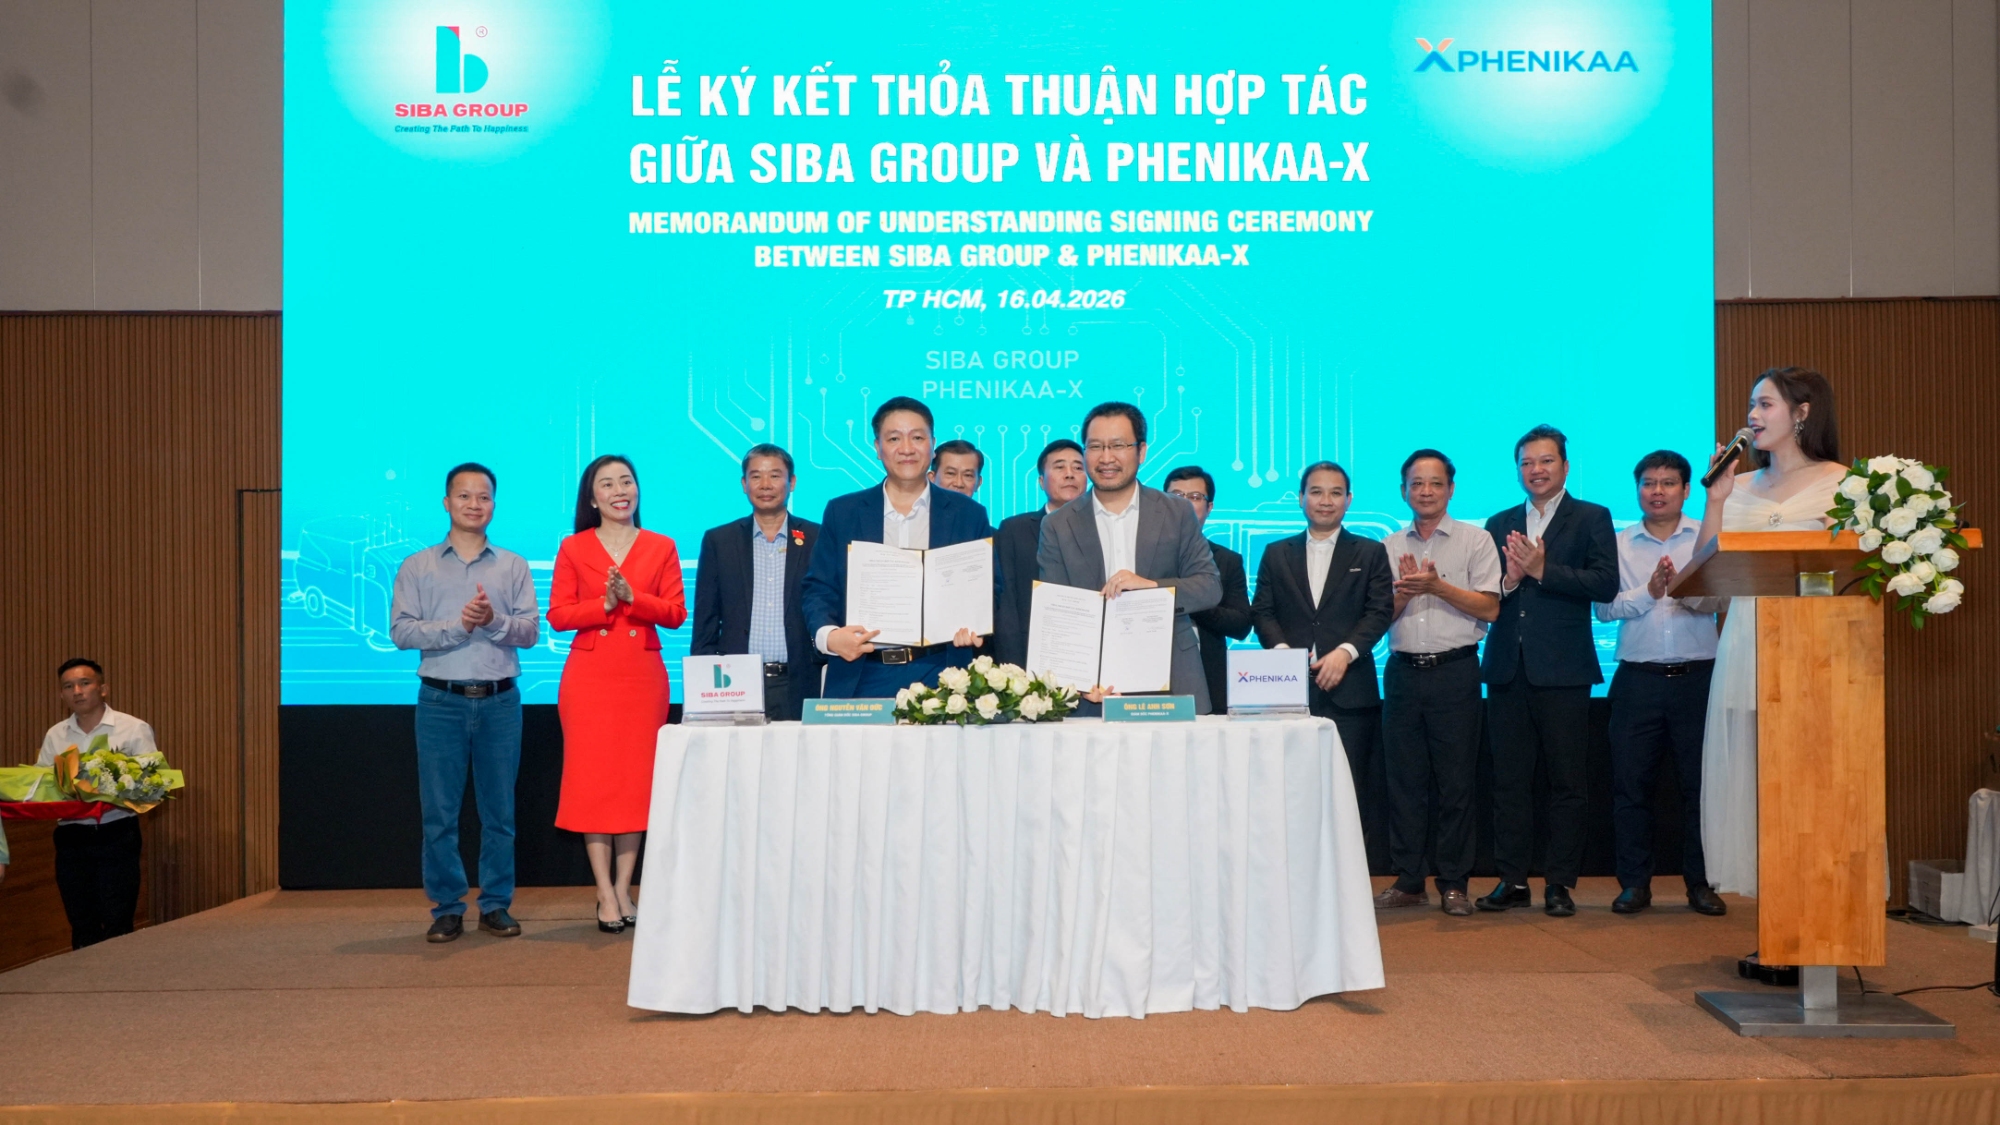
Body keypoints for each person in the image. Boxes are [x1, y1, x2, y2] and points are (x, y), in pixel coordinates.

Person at [1699, 367, 1847, 898]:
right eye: (1751, 405)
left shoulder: (1844, 483)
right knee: (1758, 774)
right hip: (1747, 641)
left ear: (1802, 412)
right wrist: (1716, 499)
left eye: (1765, 405)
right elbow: (1704, 583)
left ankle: (1818, 898)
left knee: (1814, 776)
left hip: (1817, 648)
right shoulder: (1736, 487)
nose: (1752, 416)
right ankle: (1776, 899)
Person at [389, 463, 541, 943]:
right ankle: (448, 907)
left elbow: (530, 632)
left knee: (500, 814)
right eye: (464, 496)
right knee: (439, 814)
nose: (475, 504)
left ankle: (496, 904)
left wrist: (493, 620)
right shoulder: (418, 566)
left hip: (500, 703)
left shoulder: (513, 565)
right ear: (446, 503)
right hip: (441, 701)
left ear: (494, 504)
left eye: (484, 497)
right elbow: (401, 632)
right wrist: (460, 626)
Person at [1477, 425, 1618, 918]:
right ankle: (1512, 879)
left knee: (1567, 782)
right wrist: (1510, 580)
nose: (1536, 470)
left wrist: (1542, 570)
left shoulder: (1592, 517)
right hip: (1506, 668)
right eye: (1527, 462)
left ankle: (1560, 883)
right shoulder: (1498, 522)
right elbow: (1488, 592)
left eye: (1546, 461)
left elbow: (1605, 584)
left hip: (1564, 669)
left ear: (1566, 466)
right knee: (1509, 782)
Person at [547, 455, 687, 934]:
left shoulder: (661, 546)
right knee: (594, 781)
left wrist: (633, 598)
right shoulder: (573, 547)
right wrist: (603, 605)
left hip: (641, 678)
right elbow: (558, 616)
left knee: (635, 782)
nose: (619, 491)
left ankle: (626, 886)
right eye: (607, 484)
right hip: (590, 678)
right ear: (592, 498)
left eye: (626, 481)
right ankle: (604, 891)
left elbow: (675, 613)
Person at [1595, 451, 1728, 916]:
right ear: (1637, 490)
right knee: (1631, 787)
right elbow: (1604, 609)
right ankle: (1634, 884)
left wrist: (1690, 593)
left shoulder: (1708, 536)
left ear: (1687, 490)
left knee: (1701, 788)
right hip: (1638, 680)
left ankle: (1702, 883)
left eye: (1668, 483)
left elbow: (1722, 599)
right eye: (1648, 483)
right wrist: (1649, 592)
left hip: (1699, 679)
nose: (1657, 491)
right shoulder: (1618, 543)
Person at [1373, 451, 1501, 917]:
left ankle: (1453, 883)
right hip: (1403, 673)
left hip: (1456, 672)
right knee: (1405, 782)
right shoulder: (1386, 547)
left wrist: (1436, 586)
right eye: (1416, 483)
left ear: (1451, 489)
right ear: (1403, 490)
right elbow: (1377, 618)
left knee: (1456, 782)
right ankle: (1409, 880)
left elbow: (1490, 608)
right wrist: (1405, 593)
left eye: (1435, 483)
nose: (1425, 491)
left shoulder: (1476, 540)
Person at [1250, 461, 1395, 864]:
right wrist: (1284, 656)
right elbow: (1262, 611)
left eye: (1335, 492)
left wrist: (1345, 653)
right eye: (1316, 492)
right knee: (1290, 791)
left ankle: (1347, 880)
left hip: (1351, 693)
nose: (1325, 500)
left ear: (1349, 500)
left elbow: (1379, 612)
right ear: (1301, 498)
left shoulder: (1369, 551)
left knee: (1349, 792)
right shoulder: (1277, 553)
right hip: (1287, 693)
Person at [1036, 402, 1222, 710]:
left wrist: (1152, 587)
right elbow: (1059, 612)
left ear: (1141, 451)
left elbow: (1209, 587)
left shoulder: (1176, 512)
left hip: (1172, 678)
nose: (1106, 457)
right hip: (1094, 690)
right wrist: (1081, 678)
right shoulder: (1058, 524)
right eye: (1096, 446)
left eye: (1118, 445)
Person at [802, 397, 993, 697]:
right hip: (861, 672)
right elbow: (819, 588)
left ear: (932, 445)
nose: (906, 448)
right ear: (878, 447)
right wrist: (830, 636)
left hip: (942, 673)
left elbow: (991, 586)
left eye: (917, 437)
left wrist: (974, 622)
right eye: (894, 439)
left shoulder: (968, 514)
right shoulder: (843, 512)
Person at [690, 444, 823, 720]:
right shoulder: (719, 541)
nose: (765, 485)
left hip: (800, 681)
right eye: (756, 476)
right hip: (735, 685)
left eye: (775, 475)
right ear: (744, 484)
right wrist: (702, 684)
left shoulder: (817, 538)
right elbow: (706, 623)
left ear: (792, 482)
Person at [37, 659, 156, 948]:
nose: (77, 691)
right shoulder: (55, 734)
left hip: (117, 833)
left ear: (103, 689)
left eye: (85, 683)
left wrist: (117, 792)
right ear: (62, 694)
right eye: (69, 686)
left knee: (118, 920)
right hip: (71, 836)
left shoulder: (133, 728)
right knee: (81, 921)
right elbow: (42, 785)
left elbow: (151, 785)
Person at [1164, 465, 1254, 710]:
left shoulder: (1227, 560)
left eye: (1195, 497)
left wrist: (1189, 599)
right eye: (1176, 496)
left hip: (1209, 679)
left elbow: (1241, 625)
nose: (1184, 504)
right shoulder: (1144, 557)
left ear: (1209, 507)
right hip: (1151, 679)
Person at [992, 439, 1086, 667]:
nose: (1070, 474)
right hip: (1030, 656)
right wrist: (1012, 670)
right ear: (1041, 481)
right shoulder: (1014, 529)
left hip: (1086, 654)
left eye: (1078, 467)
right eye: (1059, 467)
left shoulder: (1102, 528)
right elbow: (1007, 605)